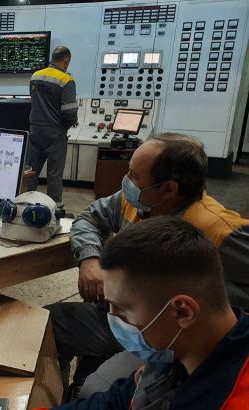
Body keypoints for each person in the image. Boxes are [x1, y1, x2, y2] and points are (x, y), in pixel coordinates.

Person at [46, 133, 249, 390]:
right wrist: (90, 258)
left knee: (94, 387)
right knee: (48, 323)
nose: (126, 181)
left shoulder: (221, 231)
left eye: (134, 176)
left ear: (168, 189)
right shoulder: (136, 201)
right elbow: (89, 218)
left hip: (163, 336)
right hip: (120, 315)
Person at [50, 217, 249, 409]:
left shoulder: (231, 399)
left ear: (183, 312)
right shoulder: (175, 352)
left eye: (122, 309)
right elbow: (116, 400)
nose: (113, 319)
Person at [27, 46, 77, 212]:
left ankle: (24, 204)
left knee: (31, 172)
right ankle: (54, 210)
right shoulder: (66, 80)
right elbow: (69, 112)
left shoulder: (35, 76)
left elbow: (34, 103)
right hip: (55, 133)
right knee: (54, 175)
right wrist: (67, 126)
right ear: (66, 61)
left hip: (35, 131)